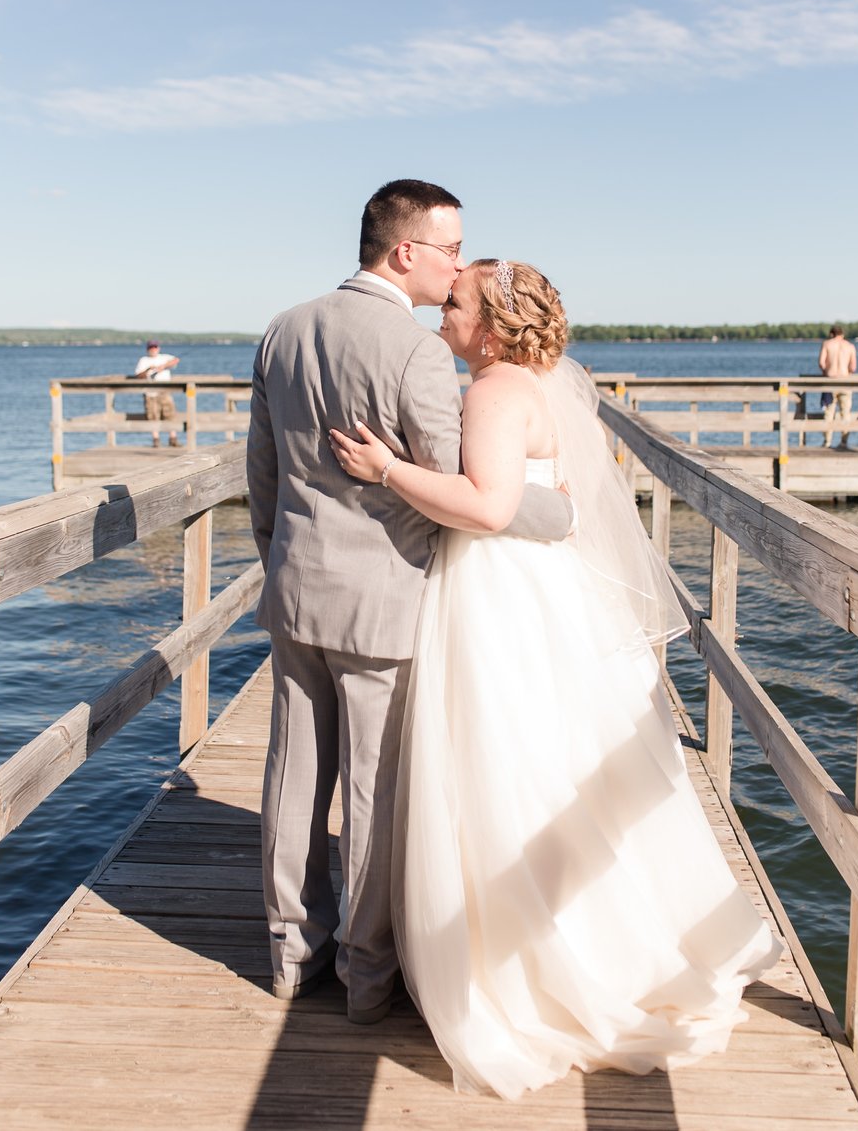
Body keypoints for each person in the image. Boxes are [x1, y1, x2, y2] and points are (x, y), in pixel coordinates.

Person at [330, 259, 782, 1099]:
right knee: (551, 760)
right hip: (546, 589)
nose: (443, 316)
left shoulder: (495, 393)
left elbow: (492, 505)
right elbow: (561, 498)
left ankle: (540, 961)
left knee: (505, 762)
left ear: (493, 328)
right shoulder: (536, 384)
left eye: (456, 305)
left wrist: (385, 469)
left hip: (500, 589)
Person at [246, 182, 573, 1025]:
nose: (459, 262)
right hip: (385, 598)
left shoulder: (283, 329)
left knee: (293, 773)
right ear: (405, 254)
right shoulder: (415, 353)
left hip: (295, 588)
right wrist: (557, 507)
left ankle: (289, 953)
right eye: (450, 249)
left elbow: (262, 478)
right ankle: (364, 973)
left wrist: (279, 557)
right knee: (371, 791)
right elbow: (466, 488)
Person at [134, 340, 180, 446]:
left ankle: (173, 439)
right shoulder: (143, 360)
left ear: (158, 348)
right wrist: (149, 369)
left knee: (170, 415)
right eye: (151, 347)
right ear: (147, 349)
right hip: (150, 393)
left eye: (155, 347)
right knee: (153, 415)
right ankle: (156, 440)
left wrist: (163, 367)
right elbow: (138, 376)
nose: (153, 349)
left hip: (165, 391)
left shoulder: (164, 357)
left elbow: (176, 360)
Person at [818, 324, 857, 449]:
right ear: (842, 334)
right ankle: (844, 442)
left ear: (831, 334)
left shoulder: (827, 344)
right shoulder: (850, 346)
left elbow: (821, 363)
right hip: (845, 382)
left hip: (830, 382)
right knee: (845, 413)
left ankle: (827, 441)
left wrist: (826, 372)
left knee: (829, 414)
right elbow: (853, 368)